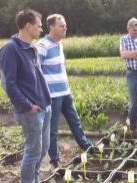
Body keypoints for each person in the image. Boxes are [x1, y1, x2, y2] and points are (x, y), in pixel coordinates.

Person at [0, 9, 52, 183]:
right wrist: (27, 106)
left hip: (44, 106)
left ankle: (35, 180)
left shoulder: (31, 47)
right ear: (28, 26)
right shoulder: (10, 49)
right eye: (38, 25)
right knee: (33, 149)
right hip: (31, 111)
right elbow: (8, 83)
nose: (41, 29)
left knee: (43, 148)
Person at [35, 14, 93, 169]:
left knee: (75, 121)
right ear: (52, 27)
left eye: (65, 25)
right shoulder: (42, 46)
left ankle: (86, 146)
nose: (65, 28)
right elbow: (35, 71)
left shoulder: (59, 45)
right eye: (62, 26)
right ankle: (54, 159)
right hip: (52, 96)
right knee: (53, 130)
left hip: (65, 93)